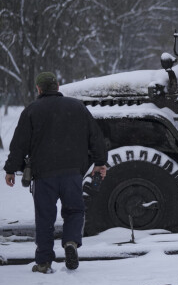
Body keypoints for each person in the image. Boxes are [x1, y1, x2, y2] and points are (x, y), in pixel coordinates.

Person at [3, 72, 107, 273]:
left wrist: (10, 169)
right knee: (75, 211)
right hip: (73, 173)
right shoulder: (77, 107)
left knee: (45, 217)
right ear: (58, 86)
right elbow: (96, 136)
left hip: (44, 176)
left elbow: (19, 144)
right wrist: (100, 162)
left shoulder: (31, 110)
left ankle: (43, 262)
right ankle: (71, 242)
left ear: (39, 89)